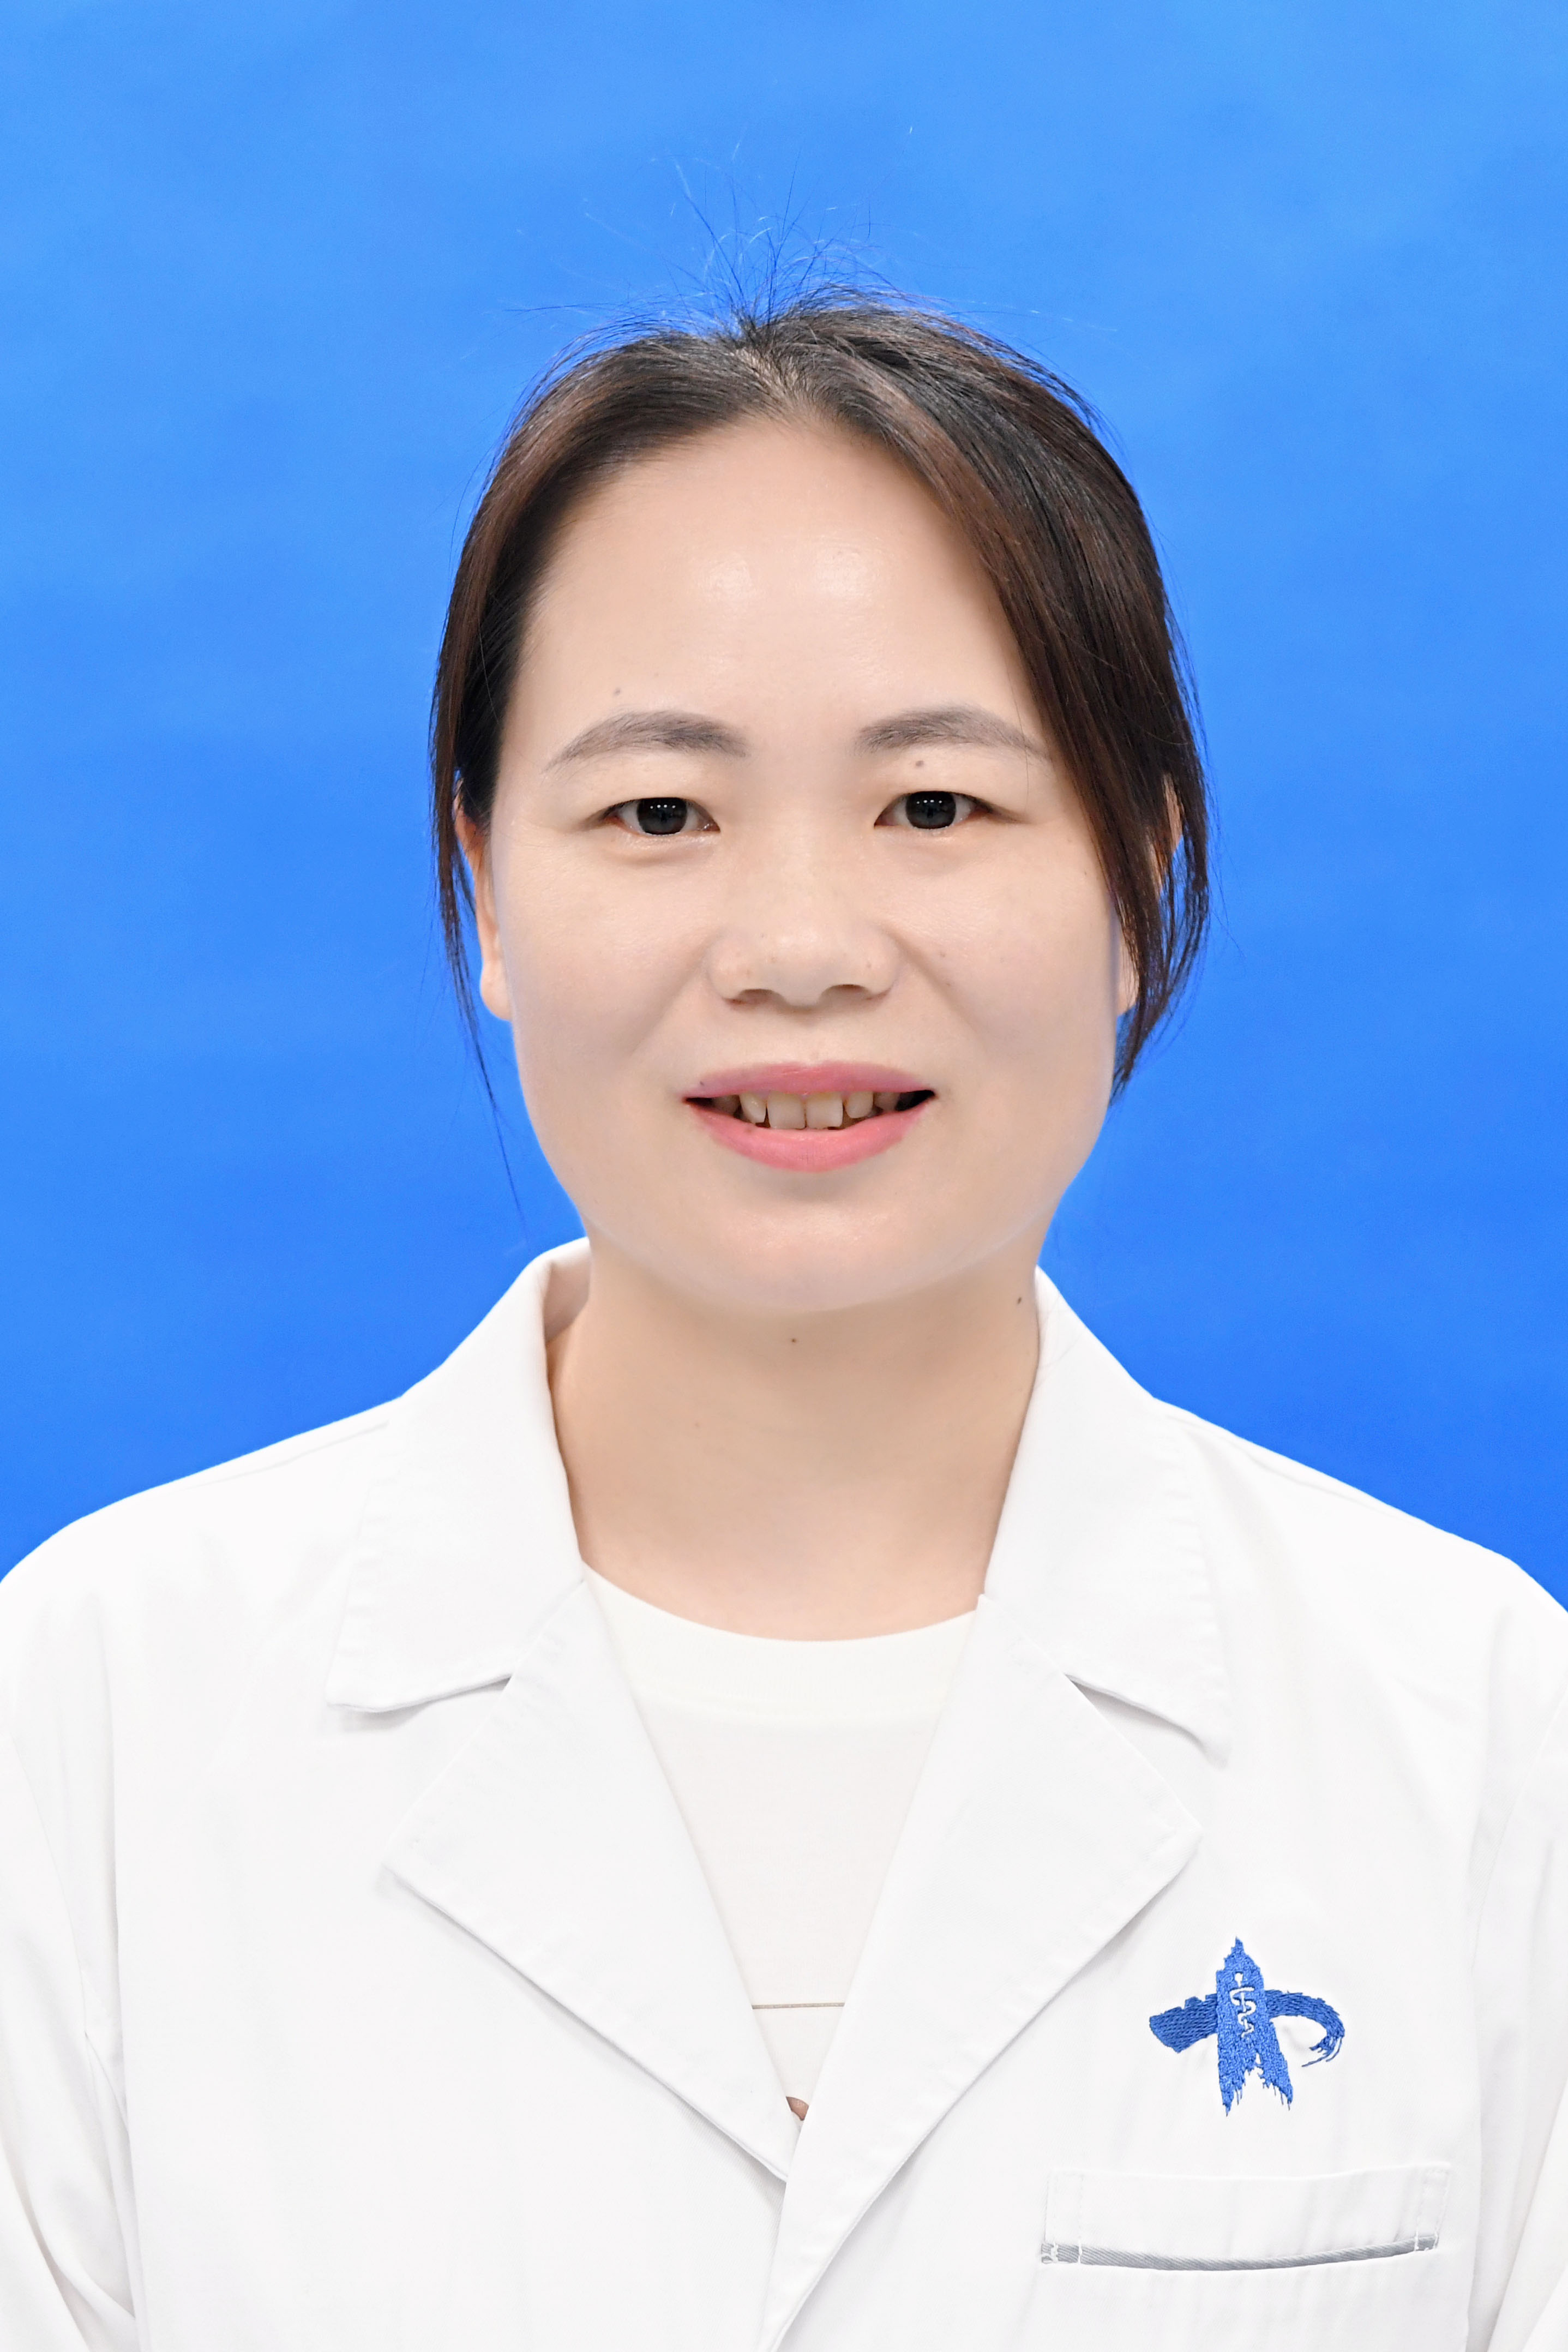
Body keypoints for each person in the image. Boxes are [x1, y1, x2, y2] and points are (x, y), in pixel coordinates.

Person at [1, 295, 1564, 2352]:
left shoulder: (1478, 1739)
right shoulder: (90, 1724)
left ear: (1137, 876)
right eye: (659, 814)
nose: (802, 950)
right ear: (486, 887)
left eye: (936, 808)